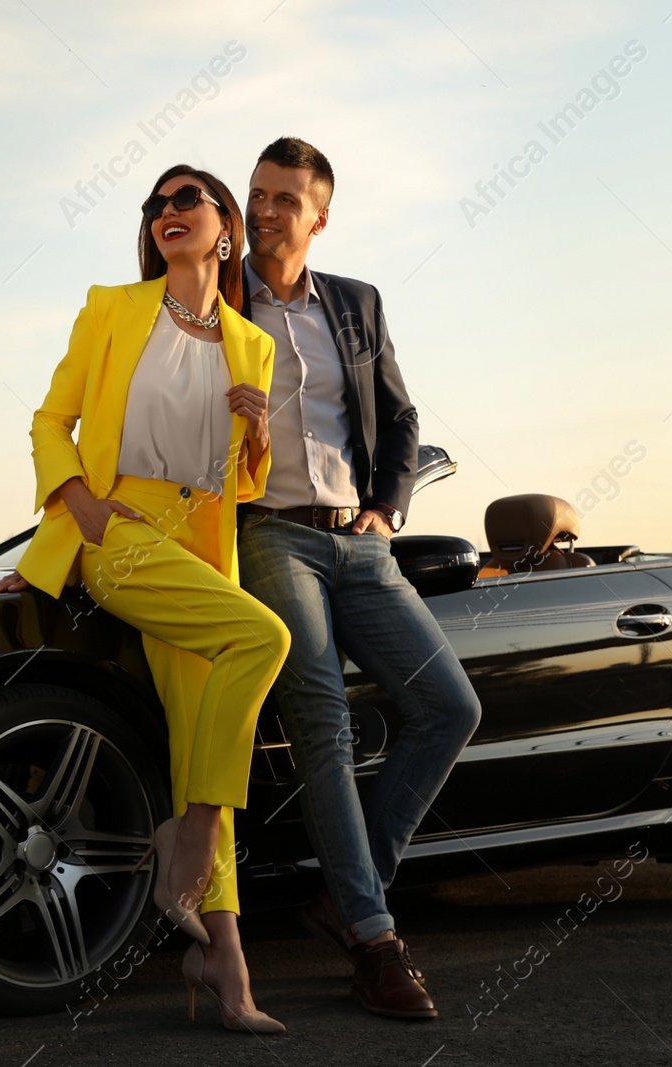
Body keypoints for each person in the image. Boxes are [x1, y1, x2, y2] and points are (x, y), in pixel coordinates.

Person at [0, 165, 290, 1034]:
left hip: (198, 547)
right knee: (262, 638)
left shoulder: (251, 342)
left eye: (184, 199)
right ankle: (190, 837)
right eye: (155, 205)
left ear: (225, 226)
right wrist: (78, 507)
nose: (166, 212)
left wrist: (261, 433)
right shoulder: (112, 308)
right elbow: (51, 420)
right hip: (116, 530)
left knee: (209, 731)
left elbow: (234, 481)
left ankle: (224, 963)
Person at [234, 137, 483, 1019]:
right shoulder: (213, 303)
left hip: (361, 543)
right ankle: (377, 941)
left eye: (283, 200)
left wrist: (389, 508)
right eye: (256, 194)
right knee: (324, 721)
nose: (263, 211)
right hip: (270, 537)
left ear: (320, 216)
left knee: (450, 706)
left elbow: (403, 413)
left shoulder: (356, 303)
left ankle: (347, 895)